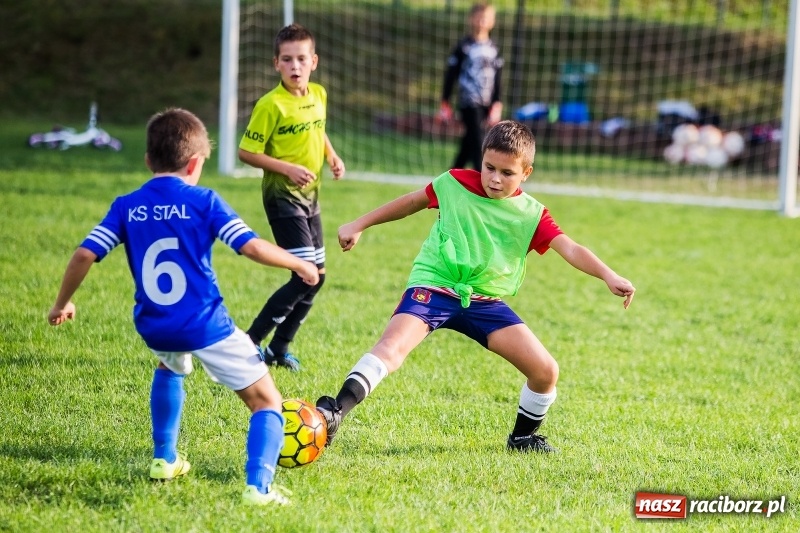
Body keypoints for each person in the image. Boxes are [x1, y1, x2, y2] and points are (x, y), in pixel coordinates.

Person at [47, 108, 320, 505]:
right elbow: (250, 247)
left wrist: (63, 302)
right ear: (195, 163)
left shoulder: (127, 205)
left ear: (147, 160)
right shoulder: (203, 200)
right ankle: (258, 489)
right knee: (267, 401)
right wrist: (299, 263)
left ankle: (165, 458)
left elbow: (83, 255)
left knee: (170, 364)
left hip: (154, 323)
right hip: (205, 324)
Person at [315, 120, 635, 453]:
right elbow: (411, 202)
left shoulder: (532, 214)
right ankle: (334, 412)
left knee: (545, 371)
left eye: (507, 173)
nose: (495, 178)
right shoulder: (453, 183)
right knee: (392, 348)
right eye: (489, 167)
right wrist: (359, 223)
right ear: (480, 159)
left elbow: (570, 247)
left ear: (526, 172)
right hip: (435, 286)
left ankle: (523, 439)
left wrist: (608, 275)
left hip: (483, 301)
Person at [238, 23, 345, 372]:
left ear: (313, 61)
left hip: (311, 197)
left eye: (301, 58)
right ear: (276, 64)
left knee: (319, 275)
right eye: (287, 60)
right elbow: (246, 152)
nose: (295, 66)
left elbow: (319, 128)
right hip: (282, 197)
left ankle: (278, 350)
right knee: (304, 276)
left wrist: (331, 155)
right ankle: (248, 344)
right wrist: (286, 169)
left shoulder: (319, 94)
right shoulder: (271, 105)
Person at [438, 3, 504, 171]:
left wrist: (497, 103)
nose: (482, 21)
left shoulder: (494, 48)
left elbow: (497, 79)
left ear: (492, 22)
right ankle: (482, 175)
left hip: (486, 101)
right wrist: (445, 101)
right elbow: (450, 76)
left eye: (486, 18)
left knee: (468, 142)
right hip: (468, 101)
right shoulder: (463, 47)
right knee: (478, 139)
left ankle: (452, 175)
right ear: (471, 19)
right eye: (479, 18)